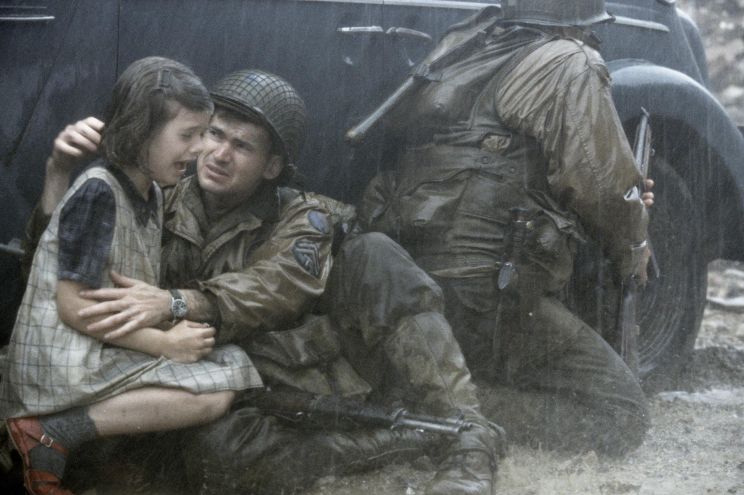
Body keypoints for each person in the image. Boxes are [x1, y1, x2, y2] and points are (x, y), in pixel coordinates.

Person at [21, 69, 503, 495]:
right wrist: (58, 173)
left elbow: (275, 285)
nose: (219, 154)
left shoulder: (303, 216)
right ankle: (402, 441)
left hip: (296, 372)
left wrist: (175, 302)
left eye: (242, 146)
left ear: (272, 166)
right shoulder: (156, 195)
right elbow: (60, 271)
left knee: (375, 254)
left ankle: (468, 435)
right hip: (208, 387)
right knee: (221, 455)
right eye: (213, 134)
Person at [356, 0, 654, 455]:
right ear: (579, 22)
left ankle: (437, 385)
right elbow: (602, 189)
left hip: (417, 281)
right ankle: (447, 413)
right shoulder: (568, 61)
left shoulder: (465, 47)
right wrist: (635, 246)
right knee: (622, 416)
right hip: (489, 293)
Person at [0, 57, 259, 495]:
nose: (200, 148)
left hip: (97, 346)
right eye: (188, 135)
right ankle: (51, 432)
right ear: (141, 133)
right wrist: (162, 344)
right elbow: (73, 306)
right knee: (215, 393)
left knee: (230, 362)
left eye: (202, 133)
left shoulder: (152, 191)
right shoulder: (99, 191)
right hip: (62, 360)